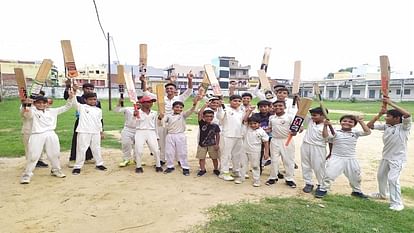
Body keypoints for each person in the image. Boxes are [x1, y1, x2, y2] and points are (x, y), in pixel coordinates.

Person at [367, 98, 411, 211]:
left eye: (388, 116)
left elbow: (407, 114)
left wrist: (390, 102)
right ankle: (383, 194)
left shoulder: (404, 127)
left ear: (396, 118)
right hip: (386, 157)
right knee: (381, 176)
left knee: (392, 179)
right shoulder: (387, 126)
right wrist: (379, 114)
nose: (386, 118)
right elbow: (369, 125)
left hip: (398, 159)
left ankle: (397, 203)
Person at [20, 93, 75, 184]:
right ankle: (27, 174)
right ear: (35, 103)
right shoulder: (32, 111)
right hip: (37, 134)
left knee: (54, 154)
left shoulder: (52, 111)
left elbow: (67, 107)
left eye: (44, 103)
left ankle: (55, 170)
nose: (41, 105)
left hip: (51, 134)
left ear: (47, 103)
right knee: (33, 155)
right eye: (39, 103)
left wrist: (70, 97)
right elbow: (26, 114)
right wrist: (26, 104)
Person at [141, 73, 193, 165]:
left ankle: (179, 160)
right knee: (162, 142)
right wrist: (144, 82)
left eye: (171, 88)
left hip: (175, 123)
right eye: (167, 89)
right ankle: (162, 159)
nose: (169, 90)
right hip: (162, 122)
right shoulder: (161, 98)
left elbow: (189, 91)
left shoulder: (179, 98)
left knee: (177, 142)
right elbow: (146, 93)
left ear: (175, 90)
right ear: (165, 90)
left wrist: (189, 80)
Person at [315, 115, 371, 198]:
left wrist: (361, 121)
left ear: (354, 125)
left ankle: (356, 191)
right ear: (340, 122)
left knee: (355, 176)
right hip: (337, 157)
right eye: (344, 121)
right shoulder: (335, 131)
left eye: (350, 122)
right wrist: (325, 126)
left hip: (351, 158)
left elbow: (367, 132)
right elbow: (325, 136)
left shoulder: (355, 132)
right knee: (329, 174)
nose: (347, 123)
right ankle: (323, 189)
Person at [64, 82, 102, 167]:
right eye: (87, 88)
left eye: (91, 89)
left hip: (93, 124)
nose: (89, 90)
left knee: (92, 142)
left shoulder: (97, 102)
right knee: (78, 142)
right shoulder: (79, 99)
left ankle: (88, 157)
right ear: (83, 89)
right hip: (81, 123)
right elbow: (68, 97)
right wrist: (71, 88)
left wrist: (101, 129)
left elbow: (99, 117)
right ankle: (73, 159)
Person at [162, 97, 201, 175]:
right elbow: (163, 122)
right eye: (176, 107)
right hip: (170, 135)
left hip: (180, 135)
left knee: (182, 152)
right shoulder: (168, 115)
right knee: (169, 152)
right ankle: (170, 166)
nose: (178, 109)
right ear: (173, 108)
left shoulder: (183, 115)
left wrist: (194, 104)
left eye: (180, 107)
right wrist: (161, 117)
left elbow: (191, 110)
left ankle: (185, 167)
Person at [71, 92, 107, 175]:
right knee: (81, 149)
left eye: (94, 99)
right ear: (85, 100)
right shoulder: (82, 107)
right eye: (90, 99)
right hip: (84, 131)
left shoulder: (98, 110)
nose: (93, 101)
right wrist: (73, 93)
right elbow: (74, 102)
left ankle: (99, 164)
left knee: (96, 148)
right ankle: (77, 166)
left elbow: (99, 122)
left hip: (95, 132)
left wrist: (101, 132)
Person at [266, 100, 296, 188]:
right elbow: (270, 128)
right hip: (274, 140)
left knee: (288, 160)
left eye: (280, 106)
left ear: (285, 107)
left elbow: (297, 129)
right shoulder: (271, 118)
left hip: (287, 140)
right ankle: (273, 177)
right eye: (275, 106)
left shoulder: (290, 117)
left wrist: (295, 132)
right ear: (273, 107)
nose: (278, 107)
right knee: (274, 160)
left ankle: (289, 179)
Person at [300, 107, 329, 193]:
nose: (312, 117)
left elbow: (327, 137)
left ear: (323, 116)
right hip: (306, 145)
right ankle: (308, 183)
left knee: (318, 167)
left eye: (315, 115)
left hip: (318, 148)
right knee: (305, 165)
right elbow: (302, 111)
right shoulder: (311, 121)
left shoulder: (327, 125)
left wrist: (326, 126)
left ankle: (321, 185)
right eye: (312, 115)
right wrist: (299, 101)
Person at [216, 95, 244, 181]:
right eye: (235, 101)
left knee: (237, 155)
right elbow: (219, 117)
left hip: (239, 136)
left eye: (239, 101)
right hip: (227, 135)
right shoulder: (225, 109)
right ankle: (223, 173)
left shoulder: (241, 111)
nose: (237, 103)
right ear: (230, 101)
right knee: (226, 155)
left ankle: (236, 170)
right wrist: (220, 107)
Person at [134, 96, 163, 174]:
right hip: (140, 131)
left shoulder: (154, 113)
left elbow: (156, 124)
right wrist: (135, 116)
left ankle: (158, 165)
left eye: (151, 102)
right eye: (148, 102)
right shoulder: (137, 112)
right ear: (142, 103)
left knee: (156, 150)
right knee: (139, 150)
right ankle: (138, 166)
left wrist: (157, 135)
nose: (151, 103)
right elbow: (133, 123)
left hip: (151, 132)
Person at [239, 114, 269, 187]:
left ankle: (256, 180)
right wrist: (249, 111)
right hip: (244, 150)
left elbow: (266, 142)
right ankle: (241, 177)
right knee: (242, 164)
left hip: (255, 151)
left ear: (259, 124)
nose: (253, 125)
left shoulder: (261, 132)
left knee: (255, 166)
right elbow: (244, 120)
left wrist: (266, 153)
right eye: (251, 124)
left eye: (255, 123)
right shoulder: (247, 128)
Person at [21, 90, 49, 168]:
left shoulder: (40, 107)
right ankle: (30, 163)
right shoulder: (26, 105)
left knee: (40, 147)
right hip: (28, 131)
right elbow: (27, 115)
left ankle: (39, 161)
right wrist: (27, 105)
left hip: (39, 131)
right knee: (29, 148)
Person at [196, 109, 221, 177]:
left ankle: (216, 169)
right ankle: (202, 169)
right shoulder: (201, 123)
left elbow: (217, 135)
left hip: (212, 145)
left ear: (213, 117)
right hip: (202, 144)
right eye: (207, 116)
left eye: (211, 116)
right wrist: (205, 105)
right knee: (201, 158)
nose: (209, 118)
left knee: (214, 158)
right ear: (203, 117)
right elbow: (199, 113)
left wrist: (217, 144)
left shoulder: (215, 125)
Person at [114, 98, 138, 167]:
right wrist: (119, 103)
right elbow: (116, 110)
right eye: (137, 102)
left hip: (138, 130)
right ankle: (126, 159)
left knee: (138, 146)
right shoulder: (128, 109)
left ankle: (137, 159)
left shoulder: (145, 111)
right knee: (126, 144)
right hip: (127, 129)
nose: (139, 104)